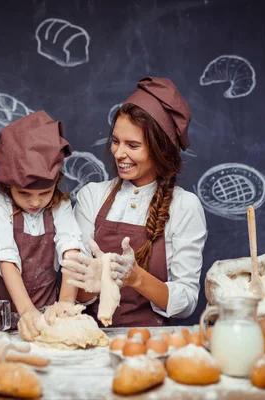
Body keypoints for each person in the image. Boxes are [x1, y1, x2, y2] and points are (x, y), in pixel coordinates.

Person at [62, 76, 208, 327]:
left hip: (150, 339)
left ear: (160, 150)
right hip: (92, 336)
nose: (119, 153)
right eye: (116, 141)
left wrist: (135, 277)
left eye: (133, 145)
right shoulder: (92, 196)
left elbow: (186, 301)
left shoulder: (185, 206)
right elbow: (77, 292)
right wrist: (94, 282)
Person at [0, 110, 83, 339]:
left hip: (47, 311)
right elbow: (6, 258)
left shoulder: (61, 206)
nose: (35, 202)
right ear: (8, 186)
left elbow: (71, 252)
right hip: (0, 312)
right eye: (24, 193)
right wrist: (26, 311)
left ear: (56, 183)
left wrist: (65, 303)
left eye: (45, 192)